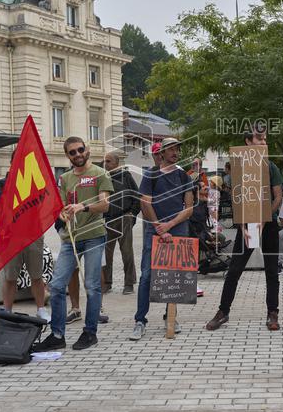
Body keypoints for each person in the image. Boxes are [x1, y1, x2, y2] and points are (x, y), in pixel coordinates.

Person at [35, 137, 112, 352]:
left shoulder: (100, 173)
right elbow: (59, 206)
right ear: (67, 155)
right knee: (57, 286)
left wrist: (82, 207)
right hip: (70, 239)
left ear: (86, 150)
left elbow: (105, 205)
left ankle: (90, 332)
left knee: (92, 286)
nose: (77, 154)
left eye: (80, 150)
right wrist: (63, 214)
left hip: (94, 235)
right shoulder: (65, 178)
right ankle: (57, 335)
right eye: (72, 152)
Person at [205, 125, 283, 332]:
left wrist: (265, 216)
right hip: (247, 225)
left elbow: (278, 196)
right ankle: (223, 311)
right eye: (260, 139)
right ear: (248, 142)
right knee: (234, 270)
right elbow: (236, 199)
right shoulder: (239, 166)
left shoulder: (270, 167)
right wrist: (243, 223)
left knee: (271, 271)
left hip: (267, 225)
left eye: (265, 139)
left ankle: (272, 312)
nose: (264, 143)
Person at [132, 137, 196, 340]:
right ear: (161, 153)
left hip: (177, 230)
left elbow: (190, 208)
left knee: (174, 277)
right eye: (171, 149)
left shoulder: (184, 177)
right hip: (155, 231)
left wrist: (169, 225)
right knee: (147, 276)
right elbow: (145, 203)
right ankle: (140, 320)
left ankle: (170, 317)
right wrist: (160, 228)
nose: (175, 152)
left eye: (177, 149)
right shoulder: (151, 174)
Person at [0, 172, 49, 322]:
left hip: (33, 234)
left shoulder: (35, 181)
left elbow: (43, 202)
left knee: (36, 275)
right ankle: (8, 310)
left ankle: (41, 309)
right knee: (10, 276)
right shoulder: (2, 183)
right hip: (11, 237)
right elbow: (2, 206)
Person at [102, 151, 139, 294]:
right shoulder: (102, 177)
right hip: (108, 220)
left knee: (127, 252)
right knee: (107, 254)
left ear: (117, 163)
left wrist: (132, 213)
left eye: (109, 161)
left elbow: (137, 195)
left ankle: (129, 284)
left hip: (124, 218)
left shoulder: (126, 176)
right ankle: (107, 283)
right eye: (105, 161)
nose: (106, 164)